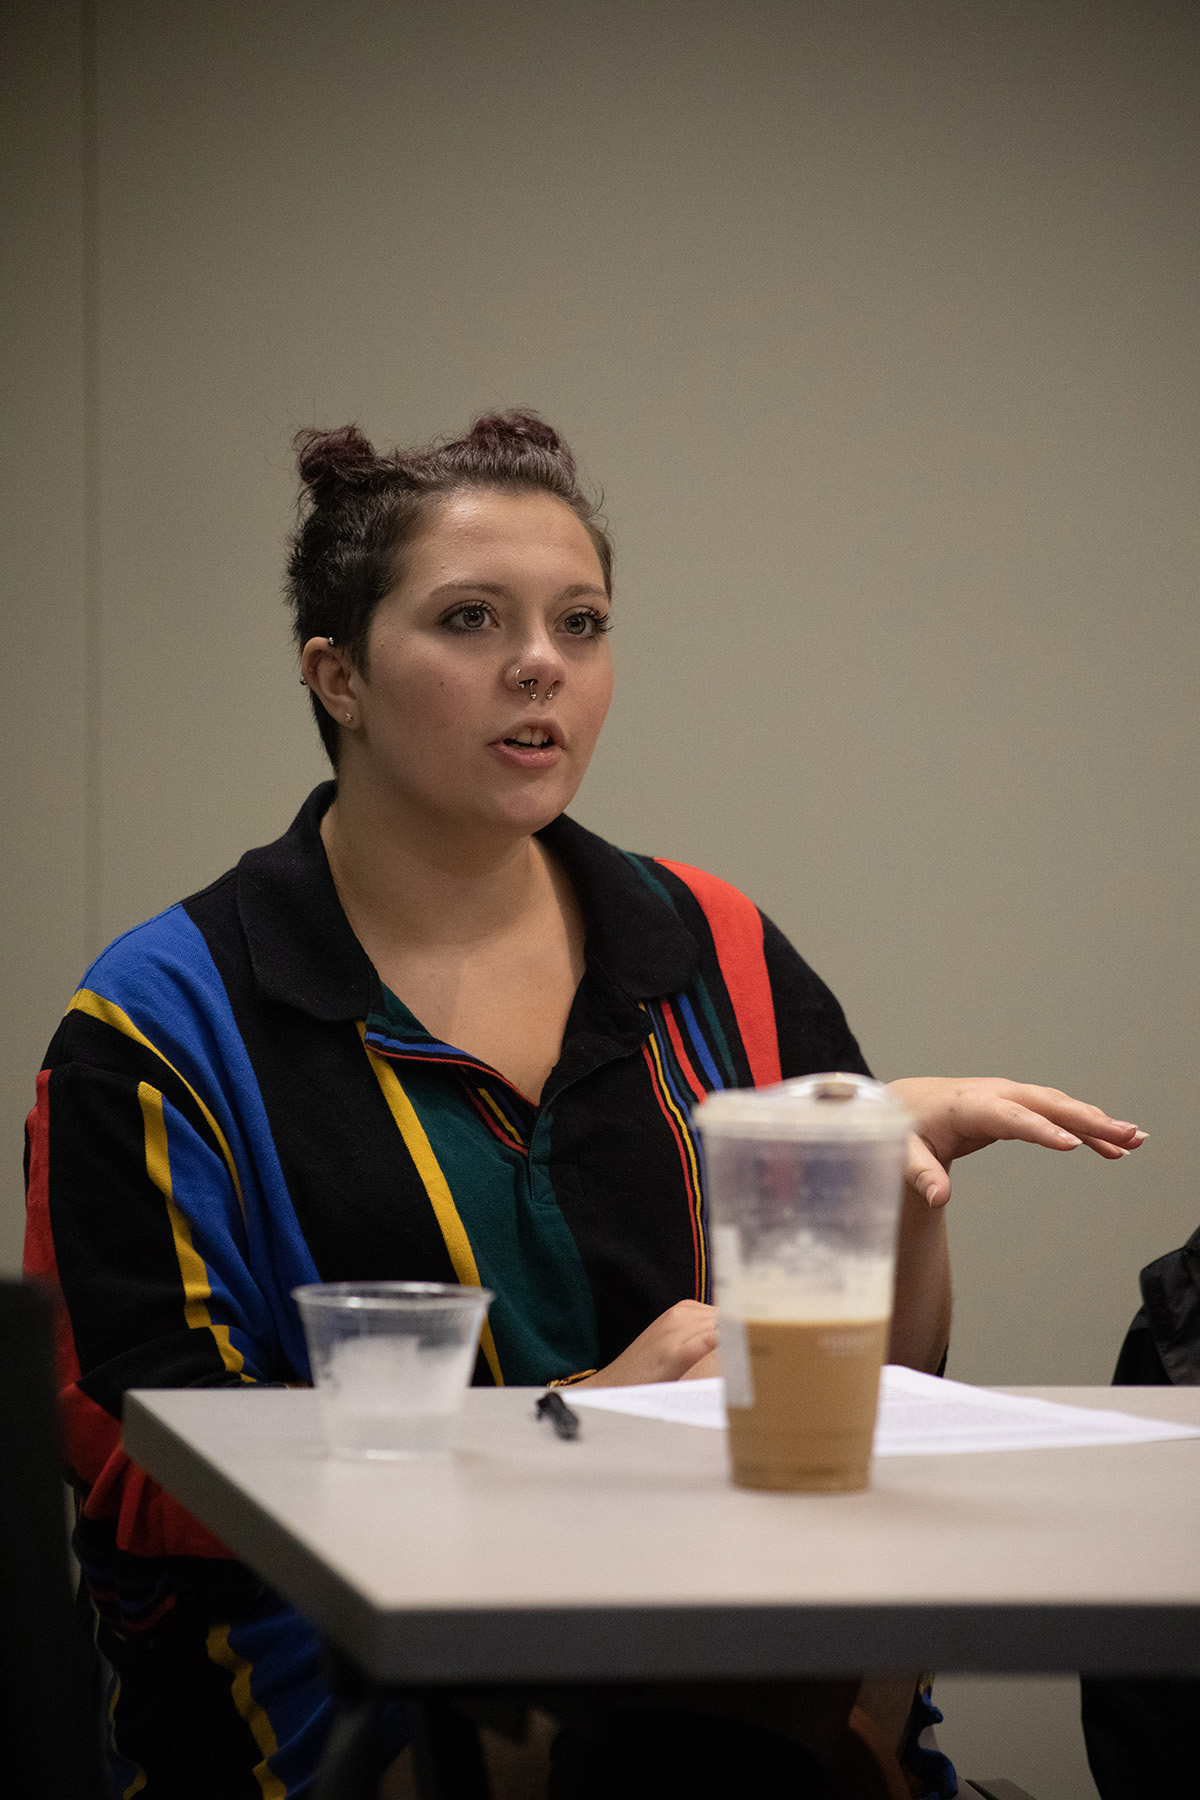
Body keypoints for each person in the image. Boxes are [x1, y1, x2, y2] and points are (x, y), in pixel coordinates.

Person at [24, 411, 1145, 1799]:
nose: (541, 661)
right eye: (471, 618)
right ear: (339, 676)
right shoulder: (160, 1020)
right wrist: (564, 1430)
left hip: (743, 1657)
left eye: (583, 621)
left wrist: (889, 1184)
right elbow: (144, 1460)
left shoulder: (714, 944)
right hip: (342, 1699)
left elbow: (874, 1400)